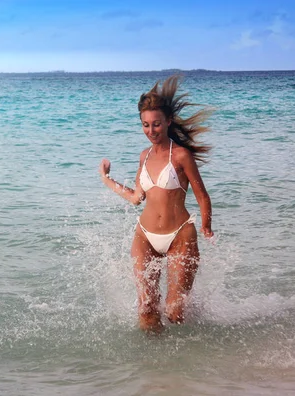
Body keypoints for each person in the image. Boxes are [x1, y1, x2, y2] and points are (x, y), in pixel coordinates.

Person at [99, 75, 213, 333]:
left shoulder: (182, 155)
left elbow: (202, 196)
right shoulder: (144, 156)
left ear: (168, 122)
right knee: (147, 311)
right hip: (145, 236)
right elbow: (136, 198)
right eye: (146, 125)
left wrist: (207, 227)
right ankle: (152, 370)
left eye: (157, 125)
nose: (151, 131)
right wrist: (106, 179)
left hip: (179, 235)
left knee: (174, 312)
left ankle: (187, 357)